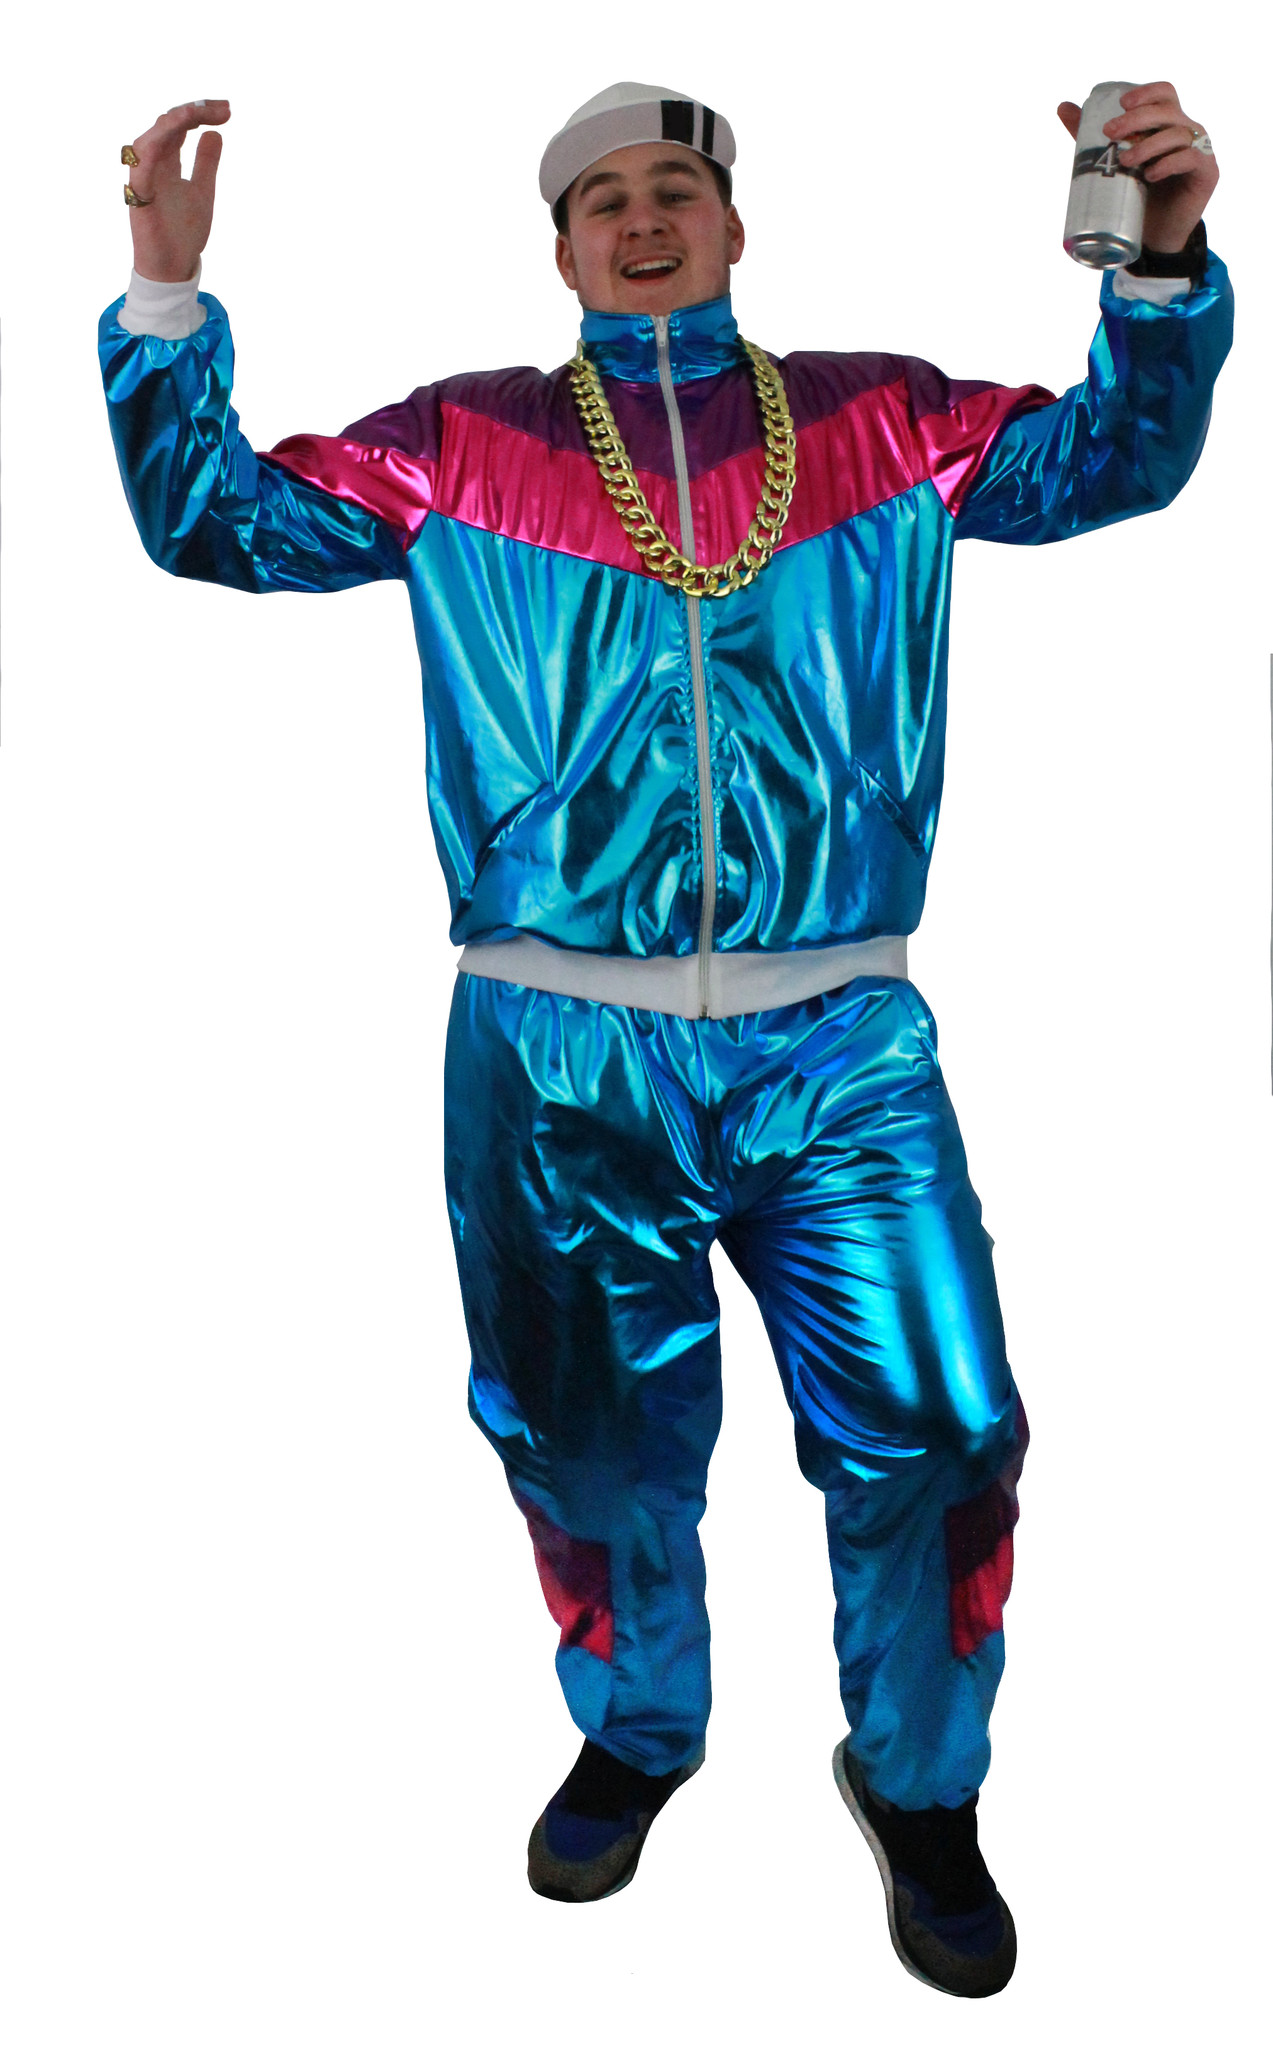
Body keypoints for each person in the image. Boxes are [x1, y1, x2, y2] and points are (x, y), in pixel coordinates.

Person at [100, 78, 1231, 1998]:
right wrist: (163, 299)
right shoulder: (464, 446)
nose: (642, 220)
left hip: (838, 1042)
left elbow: (1114, 459)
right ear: (560, 248)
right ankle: (638, 1733)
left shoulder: (879, 425)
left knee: (943, 1430)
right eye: (604, 198)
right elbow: (212, 522)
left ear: (731, 227)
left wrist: (1162, 264)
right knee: (590, 1451)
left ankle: (920, 1781)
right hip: (557, 1050)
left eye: (676, 190)